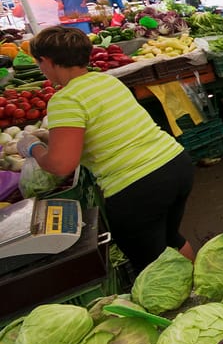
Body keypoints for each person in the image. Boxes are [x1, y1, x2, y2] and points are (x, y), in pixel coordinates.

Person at [17, 27, 195, 271]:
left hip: (138, 185)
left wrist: (33, 147)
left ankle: (187, 301)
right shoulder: (107, 80)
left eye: (39, 63)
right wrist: (53, 137)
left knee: (152, 264)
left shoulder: (65, 100)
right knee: (171, 238)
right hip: (176, 164)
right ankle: (199, 288)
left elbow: (60, 165)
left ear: (46, 61)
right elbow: (104, 126)